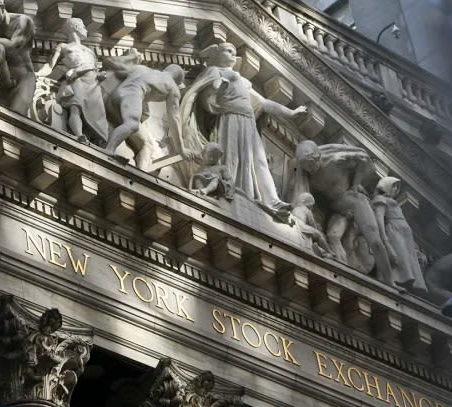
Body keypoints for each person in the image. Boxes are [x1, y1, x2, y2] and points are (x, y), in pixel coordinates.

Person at [180, 41, 306, 219]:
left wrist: (291, 113)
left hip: (248, 122)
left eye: (234, 52)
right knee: (232, 157)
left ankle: (272, 200)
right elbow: (207, 97)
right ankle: (229, 191)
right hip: (230, 119)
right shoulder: (215, 71)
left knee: (259, 160)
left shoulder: (243, 81)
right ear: (216, 55)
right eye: (228, 51)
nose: (233, 54)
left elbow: (263, 103)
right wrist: (218, 88)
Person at [293, 140, 395, 286]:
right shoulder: (306, 174)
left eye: (310, 164)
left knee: (375, 241)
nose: (309, 169)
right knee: (332, 236)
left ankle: (391, 281)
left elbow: (364, 158)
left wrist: (355, 184)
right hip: (337, 209)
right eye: (305, 167)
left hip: (353, 201)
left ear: (317, 157)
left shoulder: (335, 160)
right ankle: (342, 270)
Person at [102, 49, 185, 169]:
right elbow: (174, 118)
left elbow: (111, 63)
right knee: (132, 125)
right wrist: (181, 148)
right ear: (177, 81)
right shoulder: (172, 86)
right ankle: (108, 150)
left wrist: (128, 58)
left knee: (147, 143)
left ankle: (142, 171)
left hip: (115, 97)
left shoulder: (142, 69)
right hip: (132, 96)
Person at [38, 18, 108, 144]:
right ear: (75, 26)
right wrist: (37, 74)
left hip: (92, 84)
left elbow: (95, 69)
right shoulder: (64, 47)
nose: (86, 30)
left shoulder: (90, 51)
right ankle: (79, 134)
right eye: (83, 27)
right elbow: (50, 65)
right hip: (76, 80)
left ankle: (98, 138)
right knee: (75, 107)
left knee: (97, 114)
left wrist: (100, 75)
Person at [372, 177, 428, 290]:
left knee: (406, 259)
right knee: (398, 258)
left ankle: (407, 282)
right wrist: (385, 240)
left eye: (398, 187)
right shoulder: (380, 199)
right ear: (386, 186)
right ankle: (394, 281)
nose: (397, 190)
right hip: (394, 232)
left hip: (404, 234)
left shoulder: (392, 201)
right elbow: (379, 218)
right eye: (394, 186)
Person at [289, 193, 335, 258]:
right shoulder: (306, 210)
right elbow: (312, 224)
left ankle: (318, 249)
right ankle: (329, 251)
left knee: (312, 233)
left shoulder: (295, 209)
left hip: (294, 224)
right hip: (301, 225)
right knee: (319, 235)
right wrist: (316, 230)